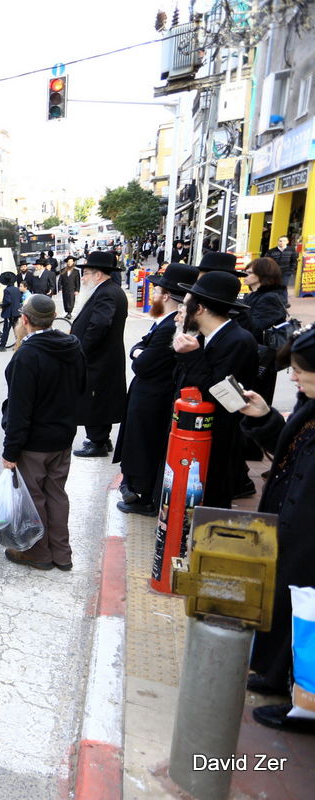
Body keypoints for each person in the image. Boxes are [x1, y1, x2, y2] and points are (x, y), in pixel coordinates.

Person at [236, 327, 315, 731]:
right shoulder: (309, 404)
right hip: (290, 523)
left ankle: (304, 706)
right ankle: (273, 672)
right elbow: (283, 450)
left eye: (302, 371)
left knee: (306, 614)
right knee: (285, 602)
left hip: (308, 533)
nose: (293, 378)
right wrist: (264, 417)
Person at [0, 294, 86, 570]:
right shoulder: (73, 345)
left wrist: (11, 450)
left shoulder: (28, 354)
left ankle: (39, 554)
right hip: (63, 437)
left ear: (25, 320)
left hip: (34, 443)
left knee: (34, 497)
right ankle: (62, 554)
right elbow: (81, 388)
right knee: (57, 494)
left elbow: (19, 409)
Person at [112, 263, 199, 515]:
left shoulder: (172, 325)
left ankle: (144, 495)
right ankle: (139, 490)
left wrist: (139, 354)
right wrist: (139, 352)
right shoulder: (166, 321)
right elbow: (139, 348)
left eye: (156, 289)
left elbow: (143, 362)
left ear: (166, 295)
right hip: (148, 393)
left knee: (146, 445)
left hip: (153, 396)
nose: (152, 293)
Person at [169, 270, 259, 508]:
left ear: (199, 309)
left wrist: (192, 357)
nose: (181, 310)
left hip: (217, 440)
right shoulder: (203, 337)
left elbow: (224, 395)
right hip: (191, 435)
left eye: (186, 304)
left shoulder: (238, 340)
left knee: (209, 502)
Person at [71, 250, 128, 457]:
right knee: (100, 398)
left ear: (98, 274)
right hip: (104, 357)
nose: (83, 278)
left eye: (86, 273)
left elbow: (100, 325)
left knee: (94, 399)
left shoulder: (105, 292)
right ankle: (101, 438)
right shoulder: (109, 290)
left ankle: (97, 441)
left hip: (98, 358)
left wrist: (82, 350)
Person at [239, 257, 290, 405]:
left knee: (254, 400)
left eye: (248, 273)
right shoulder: (255, 296)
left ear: (262, 275)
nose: (245, 276)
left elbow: (255, 326)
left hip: (261, 358)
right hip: (255, 354)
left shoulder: (270, 298)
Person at [0, 271, 22, 351]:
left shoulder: (7, 290)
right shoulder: (17, 289)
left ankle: (2, 346)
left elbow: (7, 301)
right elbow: (20, 300)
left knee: (6, 330)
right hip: (16, 312)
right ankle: (19, 344)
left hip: (9, 313)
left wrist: (2, 305)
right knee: (16, 329)